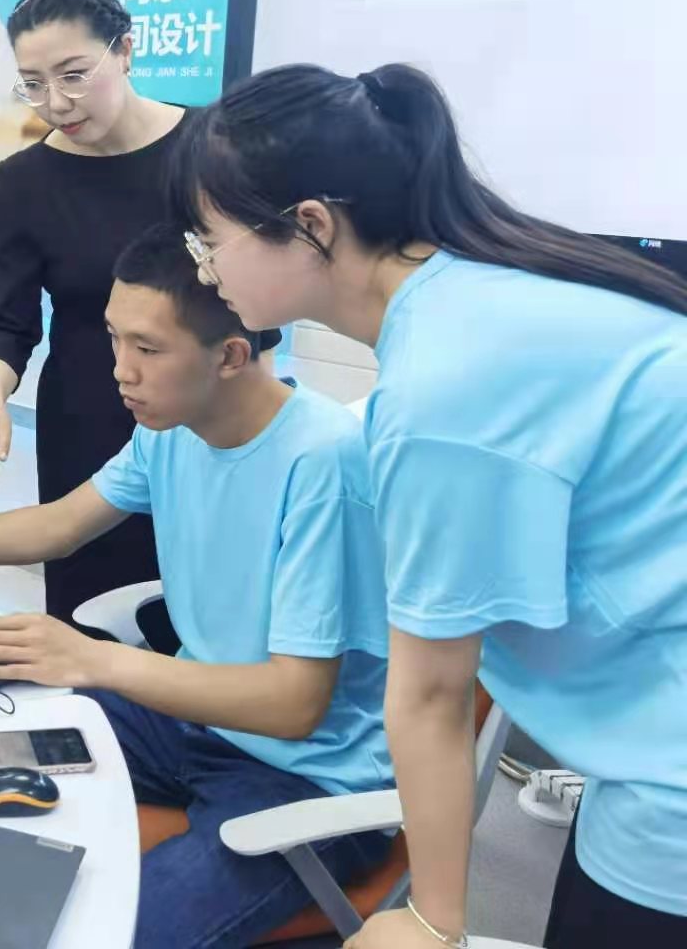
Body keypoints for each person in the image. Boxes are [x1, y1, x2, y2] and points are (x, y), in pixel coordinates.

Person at [172, 62, 687, 949]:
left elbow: (433, 694)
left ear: (311, 227)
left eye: (208, 238)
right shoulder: (480, 294)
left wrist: (429, 918)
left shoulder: (441, 391)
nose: (203, 267)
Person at [0, 224, 393, 947]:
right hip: (191, 720)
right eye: (115, 339)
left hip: (307, 777)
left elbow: (294, 705)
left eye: (148, 349)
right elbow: (59, 525)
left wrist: (94, 659)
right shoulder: (170, 430)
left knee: (110, 932)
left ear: (231, 356)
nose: (121, 371)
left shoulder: (323, 462)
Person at [0, 0, 278, 623]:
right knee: (87, 616)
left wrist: (264, 439)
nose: (57, 103)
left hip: (206, 416)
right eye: (34, 84)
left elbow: (259, 311)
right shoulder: (26, 178)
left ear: (125, 50)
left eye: (74, 75)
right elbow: (7, 321)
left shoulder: (211, 147)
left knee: (206, 612)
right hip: (86, 417)